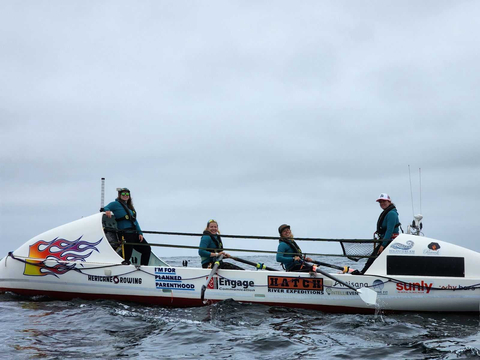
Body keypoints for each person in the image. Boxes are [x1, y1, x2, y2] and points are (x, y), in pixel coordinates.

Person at [104, 188, 151, 266]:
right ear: (119, 195)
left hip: (134, 232)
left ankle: (143, 267)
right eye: (123, 194)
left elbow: (135, 221)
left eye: (127, 194)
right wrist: (107, 211)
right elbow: (106, 207)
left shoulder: (130, 207)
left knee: (146, 249)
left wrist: (140, 233)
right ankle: (125, 264)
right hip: (124, 232)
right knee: (128, 251)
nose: (125, 195)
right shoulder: (115, 204)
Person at [357, 193, 401, 274]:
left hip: (389, 241)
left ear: (389, 202)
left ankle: (363, 273)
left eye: (384, 201)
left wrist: (383, 245)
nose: (382, 203)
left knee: (372, 258)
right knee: (373, 258)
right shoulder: (388, 212)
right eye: (380, 202)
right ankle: (365, 272)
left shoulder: (391, 213)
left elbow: (389, 230)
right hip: (385, 240)